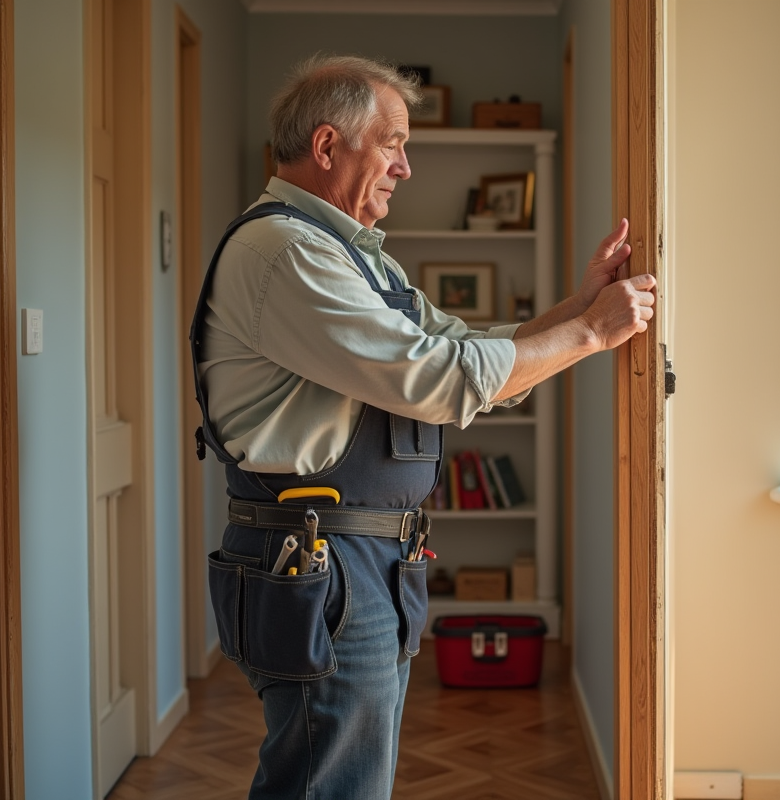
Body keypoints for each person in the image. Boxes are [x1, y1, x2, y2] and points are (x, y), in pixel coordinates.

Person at [190, 53, 655, 800]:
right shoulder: (287, 251)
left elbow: (459, 349)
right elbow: (437, 380)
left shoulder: (349, 254)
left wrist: (580, 306)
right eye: (393, 144)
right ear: (328, 146)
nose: (405, 168)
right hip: (322, 559)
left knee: (339, 778)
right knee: (331, 784)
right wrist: (592, 334)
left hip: (355, 558)